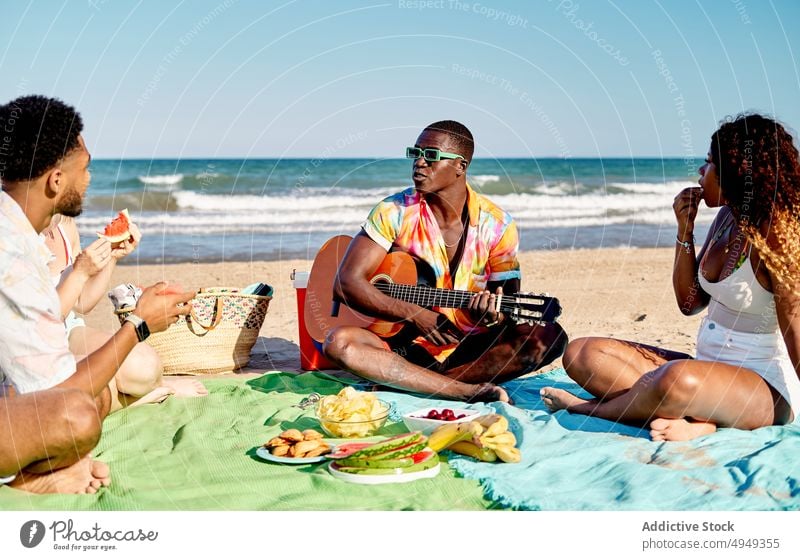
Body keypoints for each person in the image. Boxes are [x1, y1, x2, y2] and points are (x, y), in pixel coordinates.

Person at [541, 113, 800, 441]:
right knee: (581, 353)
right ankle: (699, 418)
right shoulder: (724, 218)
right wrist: (685, 230)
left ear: (735, 174)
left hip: (763, 386)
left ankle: (586, 408)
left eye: (709, 164)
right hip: (705, 369)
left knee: (676, 380)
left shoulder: (779, 236)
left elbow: (796, 325)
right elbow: (689, 303)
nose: (701, 173)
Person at [0, 94, 195, 493]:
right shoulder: (12, 257)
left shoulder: (19, 233)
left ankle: (38, 474)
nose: (89, 179)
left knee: (96, 394)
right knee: (78, 417)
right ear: (56, 179)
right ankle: (25, 481)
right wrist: (139, 324)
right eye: (84, 169)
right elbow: (61, 398)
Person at [323, 120, 567, 402]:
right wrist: (416, 314)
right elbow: (346, 282)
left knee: (547, 338)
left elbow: (506, 306)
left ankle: (417, 383)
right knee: (339, 343)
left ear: (460, 166)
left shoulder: (497, 224)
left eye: (432, 156)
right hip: (400, 346)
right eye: (415, 154)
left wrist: (489, 314)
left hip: (467, 348)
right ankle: (463, 392)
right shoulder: (394, 211)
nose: (419, 163)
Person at [41, 214, 207, 410]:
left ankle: (149, 387)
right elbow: (38, 326)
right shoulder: (11, 233)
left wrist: (112, 256)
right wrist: (79, 273)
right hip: (30, 344)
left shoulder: (64, 224)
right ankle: (132, 400)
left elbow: (82, 302)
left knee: (145, 365)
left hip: (67, 330)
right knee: (91, 387)